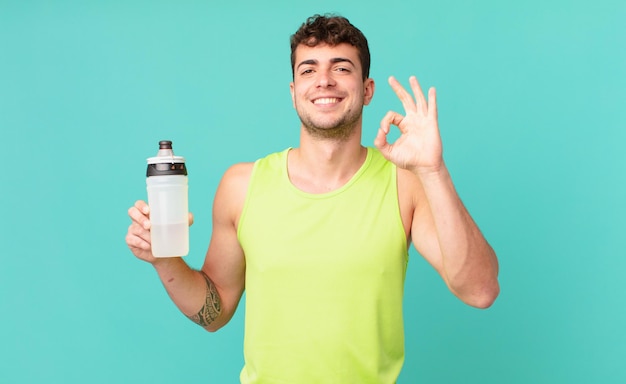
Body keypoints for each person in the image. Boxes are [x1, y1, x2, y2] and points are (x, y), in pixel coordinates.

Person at [126, 14, 499, 383]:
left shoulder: (405, 185)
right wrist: (165, 261)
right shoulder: (241, 186)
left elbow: (480, 291)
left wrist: (433, 171)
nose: (324, 80)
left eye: (341, 68)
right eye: (308, 70)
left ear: (367, 90)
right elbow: (215, 312)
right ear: (293, 92)